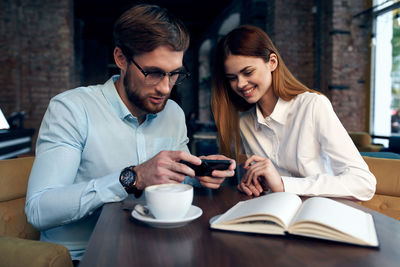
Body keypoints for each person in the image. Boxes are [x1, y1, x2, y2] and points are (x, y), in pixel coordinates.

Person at [25, 4, 235, 262]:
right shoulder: (71, 109)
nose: (165, 88)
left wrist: (198, 174)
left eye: (174, 74)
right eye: (154, 73)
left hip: (160, 249)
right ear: (120, 58)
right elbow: (39, 209)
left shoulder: (173, 114)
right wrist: (131, 178)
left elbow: (172, 183)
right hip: (86, 256)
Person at [211, 25, 375, 200]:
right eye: (232, 78)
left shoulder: (313, 106)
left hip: (319, 214)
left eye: (248, 72)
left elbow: (363, 183)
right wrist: (251, 182)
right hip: (274, 215)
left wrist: (283, 184)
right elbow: (262, 185)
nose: (241, 84)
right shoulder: (244, 123)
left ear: (272, 62)